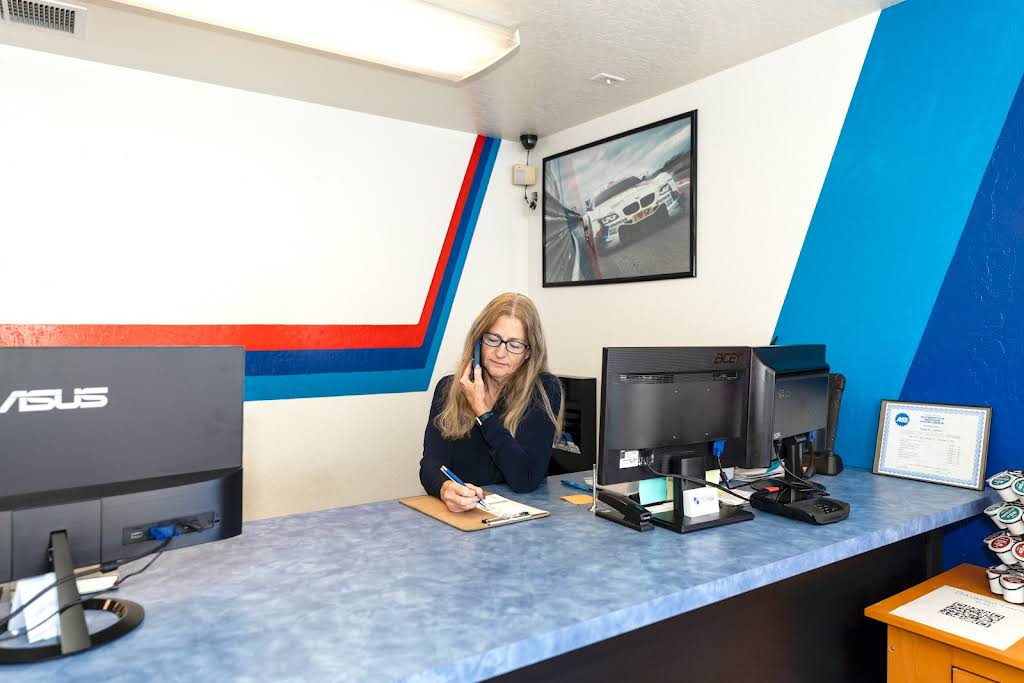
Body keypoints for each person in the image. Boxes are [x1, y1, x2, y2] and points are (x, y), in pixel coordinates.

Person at [419, 292, 563, 512]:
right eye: (493, 339)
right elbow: (430, 464)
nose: (500, 352)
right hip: (462, 518)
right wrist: (445, 488)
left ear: (528, 353)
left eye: (514, 344)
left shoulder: (543, 390)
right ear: (478, 341)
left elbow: (525, 479)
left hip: (519, 526)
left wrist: (483, 412)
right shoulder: (448, 389)